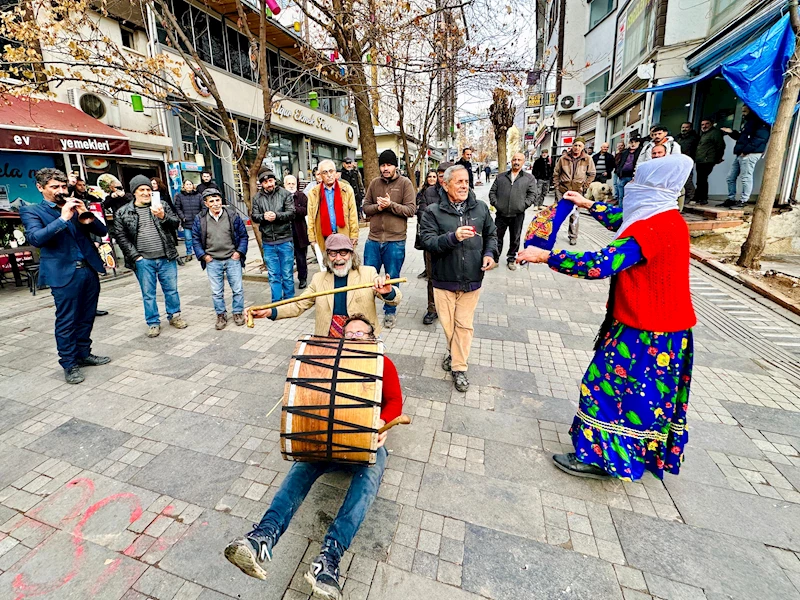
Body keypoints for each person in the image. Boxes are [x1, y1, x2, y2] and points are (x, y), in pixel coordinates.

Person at [516, 154, 696, 481]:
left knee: (603, 388)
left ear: (651, 188)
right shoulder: (665, 216)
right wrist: (586, 204)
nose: (631, 188)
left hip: (647, 332)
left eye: (638, 182)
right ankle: (622, 456)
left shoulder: (652, 229)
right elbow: (622, 218)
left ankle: (599, 459)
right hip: (658, 329)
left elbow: (602, 263)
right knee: (639, 399)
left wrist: (547, 255)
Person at [224, 313, 403, 599]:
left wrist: (383, 423)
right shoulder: (328, 360)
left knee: (369, 480)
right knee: (299, 469)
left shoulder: (383, 362)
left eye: (362, 333)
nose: (355, 337)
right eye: (350, 333)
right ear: (341, 339)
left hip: (364, 439)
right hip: (326, 437)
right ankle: (261, 537)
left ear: (372, 337)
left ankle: (329, 559)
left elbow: (394, 400)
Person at [21, 168, 111, 384]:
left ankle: (83, 353)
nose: (60, 191)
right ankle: (69, 364)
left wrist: (83, 213)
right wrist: (63, 219)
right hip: (63, 274)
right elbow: (36, 238)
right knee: (67, 321)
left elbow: (101, 231)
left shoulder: (76, 205)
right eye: (54, 187)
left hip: (88, 269)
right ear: (40, 188)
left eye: (63, 186)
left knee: (87, 316)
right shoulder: (32, 211)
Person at [419, 165, 498, 393]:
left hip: (472, 279)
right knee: (449, 327)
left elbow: (491, 235)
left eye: (466, 181)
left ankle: (459, 368)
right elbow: (428, 242)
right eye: (459, 182)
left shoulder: (481, 208)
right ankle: (455, 353)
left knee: (464, 326)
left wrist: (489, 254)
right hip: (444, 280)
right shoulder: (433, 212)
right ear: (445, 184)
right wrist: (453, 237)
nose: (464, 186)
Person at [251, 234, 401, 337]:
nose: (338, 258)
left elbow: (395, 299)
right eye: (333, 254)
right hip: (328, 339)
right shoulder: (318, 279)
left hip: (361, 338)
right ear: (327, 257)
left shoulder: (368, 273)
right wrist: (269, 312)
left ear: (351, 254)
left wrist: (388, 292)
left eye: (343, 253)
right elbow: (297, 305)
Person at [112, 174, 188, 337]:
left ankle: (174, 316)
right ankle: (153, 322)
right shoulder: (123, 212)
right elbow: (121, 237)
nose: (146, 192)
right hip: (143, 260)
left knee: (171, 290)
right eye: (142, 189)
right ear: (134, 192)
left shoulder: (162, 205)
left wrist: (162, 216)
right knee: (148, 293)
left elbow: (175, 224)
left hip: (166, 257)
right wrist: (136, 257)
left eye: (148, 189)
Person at [362, 149, 416, 329]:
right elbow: (365, 208)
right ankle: (364, 312)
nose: (385, 168)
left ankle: (390, 312)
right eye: (383, 165)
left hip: (395, 241)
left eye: (389, 165)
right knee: (367, 277)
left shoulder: (405, 183)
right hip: (373, 240)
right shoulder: (374, 183)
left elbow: (410, 210)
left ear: (395, 166)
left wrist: (390, 205)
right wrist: (378, 207)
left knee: (391, 278)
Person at [192, 188, 249, 329]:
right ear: (206, 204)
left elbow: (243, 236)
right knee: (217, 292)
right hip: (213, 260)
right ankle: (221, 315)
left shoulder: (232, 216)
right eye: (212, 201)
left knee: (237, 289)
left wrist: (239, 253)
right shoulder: (200, 219)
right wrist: (204, 256)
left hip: (232, 258)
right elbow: (195, 239)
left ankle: (237, 312)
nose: (216, 203)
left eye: (218, 200)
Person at [251, 172, 296, 302]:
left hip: (285, 239)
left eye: (271, 181)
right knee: (273, 275)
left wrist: (276, 215)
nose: (269, 184)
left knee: (287, 274)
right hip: (268, 241)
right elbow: (254, 216)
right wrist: (263, 217)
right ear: (261, 184)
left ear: (274, 181)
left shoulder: (285, 194)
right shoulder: (257, 198)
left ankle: (289, 302)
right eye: (265, 182)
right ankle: (276, 302)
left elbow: (291, 213)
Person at [417, 163, 452, 326]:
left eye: (445, 174)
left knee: (453, 275)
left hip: (454, 243)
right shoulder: (429, 192)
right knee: (432, 277)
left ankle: (449, 307)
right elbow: (423, 215)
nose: (442, 178)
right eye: (439, 174)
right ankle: (432, 309)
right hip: (432, 242)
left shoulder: (462, 191)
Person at [489, 152, 537, 271]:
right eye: (514, 159)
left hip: (517, 214)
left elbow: (532, 194)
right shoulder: (501, 177)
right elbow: (492, 192)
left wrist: (522, 206)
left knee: (515, 238)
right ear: (511, 161)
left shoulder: (528, 178)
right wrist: (497, 204)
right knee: (497, 237)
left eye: (519, 160)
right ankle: (495, 258)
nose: (516, 162)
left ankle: (511, 259)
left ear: (523, 162)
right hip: (501, 213)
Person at [720, 104, 771, 208]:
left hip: (749, 153)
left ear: (751, 111)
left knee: (746, 177)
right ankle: (731, 199)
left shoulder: (759, 123)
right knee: (731, 177)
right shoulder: (749, 123)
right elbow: (742, 138)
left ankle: (744, 200)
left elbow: (760, 139)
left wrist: (746, 150)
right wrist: (731, 133)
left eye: (744, 112)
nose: (742, 114)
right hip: (742, 153)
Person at [306, 159, 359, 256]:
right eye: (325, 172)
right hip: (324, 236)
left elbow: (353, 215)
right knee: (327, 266)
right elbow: (311, 218)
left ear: (335, 173)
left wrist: (354, 235)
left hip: (343, 234)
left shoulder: (346, 189)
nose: (329, 175)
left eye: (331, 171)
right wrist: (312, 239)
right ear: (320, 175)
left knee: (344, 264)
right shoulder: (313, 192)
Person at [553, 137, 596, 245]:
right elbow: (556, 173)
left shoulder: (587, 159)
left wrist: (585, 186)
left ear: (583, 147)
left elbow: (592, 174)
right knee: (558, 213)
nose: (577, 148)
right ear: (572, 146)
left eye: (580, 146)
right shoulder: (563, 158)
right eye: (575, 145)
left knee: (575, 214)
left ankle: (573, 236)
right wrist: (557, 187)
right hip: (563, 190)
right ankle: (552, 235)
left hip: (577, 191)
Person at [692, 118, 727, 206]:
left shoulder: (715, 133)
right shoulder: (704, 134)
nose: (704, 126)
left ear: (711, 124)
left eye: (707, 124)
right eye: (702, 124)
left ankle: (703, 198)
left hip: (707, 160)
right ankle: (698, 197)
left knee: (702, 179)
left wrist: (718, 158)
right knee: (700, 179)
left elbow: (720, 146)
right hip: (700, 159)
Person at [284, 175, 310, 289]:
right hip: (285, 233)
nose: (291, 186)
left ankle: (303, 278)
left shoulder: (302, 196)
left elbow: (306, 210)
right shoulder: (281, 197)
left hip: (300, 232)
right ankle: (288, 280)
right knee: (287, 258)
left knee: (301, 258)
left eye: (293, 183)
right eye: (288, 184)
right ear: (284, 185)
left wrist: (293, 210)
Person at [415, 170, 439, 278]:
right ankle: (427, 269)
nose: (432, 178)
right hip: (423, 224)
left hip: (437, 225)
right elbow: (419, 209)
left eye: (434, 176)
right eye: (430, 176)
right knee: (425, 248)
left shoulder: (440, 191)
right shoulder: (422, 192)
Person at [174, 180, 203, 262]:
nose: (189, 186)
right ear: (184, 186)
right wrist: (182, 217)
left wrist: (200, 216)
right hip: (186, 221)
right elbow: (177, 208)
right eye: (187, 184)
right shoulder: (180, 196)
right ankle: (189, 254)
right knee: (188, 239)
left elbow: (203, 207)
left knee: (199, 238)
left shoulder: (199, 195)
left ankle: (200, 253)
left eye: (190, 184)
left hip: (197, 221)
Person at [613, 137, 642, 207]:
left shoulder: (640, 152)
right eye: (631, 142)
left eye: (635, 142)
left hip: (632, 177)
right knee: (621, 196)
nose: (633, 144)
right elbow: (620, 163)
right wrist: (619, 172)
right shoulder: (625, 152)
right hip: (622, 176)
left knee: (631, 196)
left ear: (639, 143)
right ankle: (620, 211)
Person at [675, 123, 699, 205]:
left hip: (688, 160)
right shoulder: (678, 138)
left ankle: (691, 197)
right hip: (678, 161)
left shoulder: (694, 138)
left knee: (687, 179)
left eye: (686, 127)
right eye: (683, 127)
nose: (684, 129)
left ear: (690, 128)